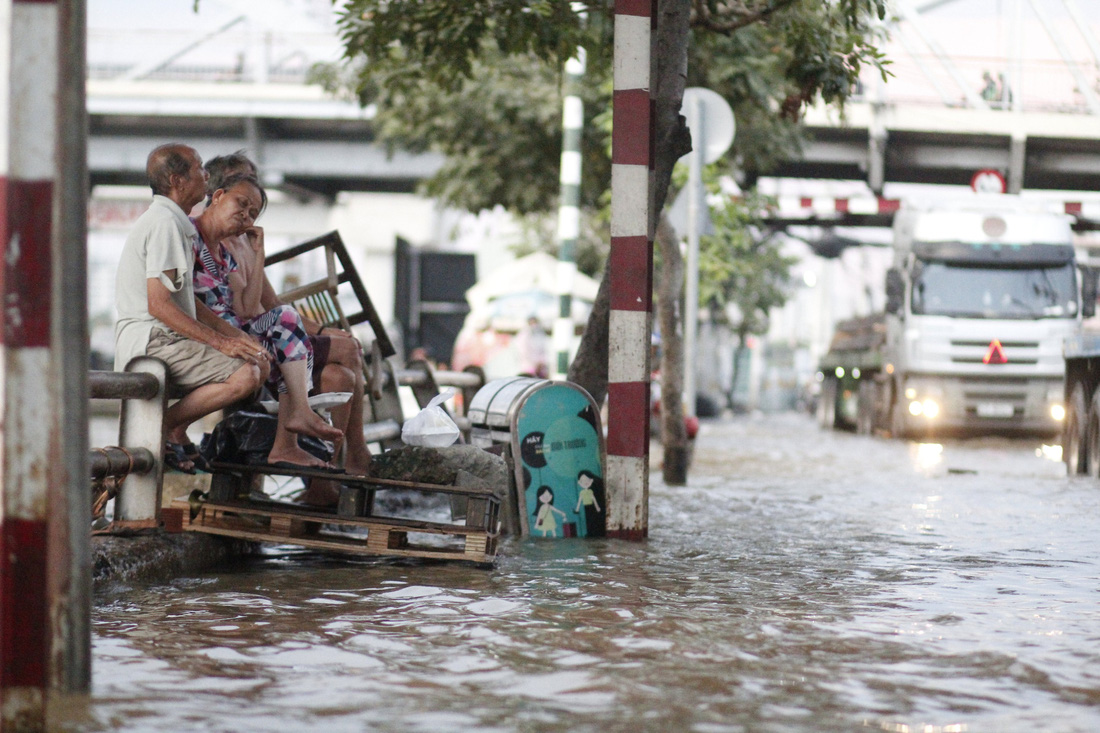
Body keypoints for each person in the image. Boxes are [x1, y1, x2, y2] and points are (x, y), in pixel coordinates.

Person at [203, 152, 374, 502]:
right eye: (242, 195)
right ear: (217, 192)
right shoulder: (205, 236)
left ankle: (324, 472)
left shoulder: (242, 240)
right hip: (239, 343)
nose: (249, 208)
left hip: (261, 335)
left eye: (254, 203)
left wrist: (324, 330)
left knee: (341, 375)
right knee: (346, 349)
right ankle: (354, 453)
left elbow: (268, 302)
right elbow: (238, 309)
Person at [114, 143, 270, 474]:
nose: (206, 175)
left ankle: (173, 430)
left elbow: (190, 304)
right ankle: (166, 427)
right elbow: (159, 305)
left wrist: (237, 337)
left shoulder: (176, 222)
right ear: (177, 180)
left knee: (257, 360)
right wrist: (222, 344)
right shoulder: (165, 223)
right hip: (152, 339)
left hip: (163, 337)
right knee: (247, 373)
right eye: (199, 169)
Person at [192, 171, 345, 472]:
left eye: (253, 213)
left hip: (234, 330)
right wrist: (231, 338)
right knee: (285, 322)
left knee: (284, 334)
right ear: (219, 196)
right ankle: (296, 421)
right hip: (205, 335)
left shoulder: (223, 253)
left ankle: (289, 440)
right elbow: (183, 301)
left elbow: (248, 308)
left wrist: (258, 253)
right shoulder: (188, 235)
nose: (245, 215)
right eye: (242, 203)